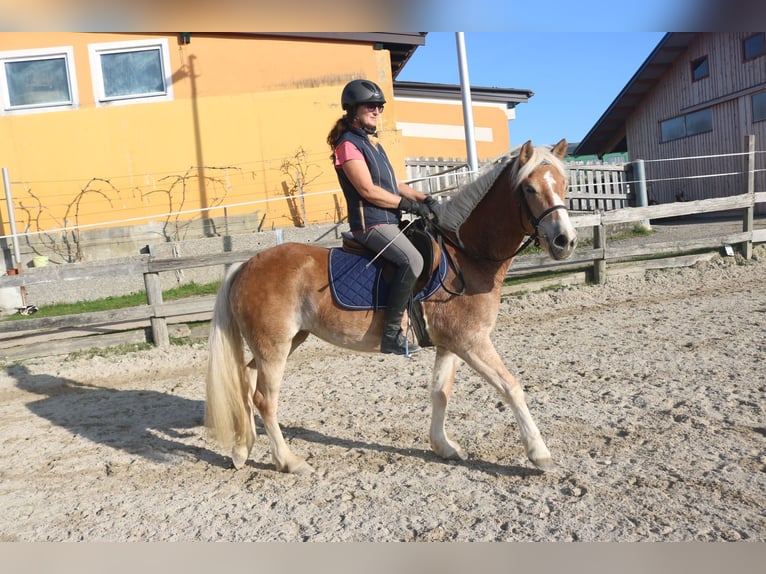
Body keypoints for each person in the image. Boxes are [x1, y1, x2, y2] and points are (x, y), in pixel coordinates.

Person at [327, 79, 435, 356]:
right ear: (353, 110)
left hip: (389, 220)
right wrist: (407, 206)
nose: (377, 110)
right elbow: (368, 190)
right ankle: (390, 335)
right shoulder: (348, 145)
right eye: (370, 106)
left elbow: (394, 183)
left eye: (380, 106)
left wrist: (424, 200)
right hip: (370, 224)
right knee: (412, 259)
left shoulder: (374, 145)